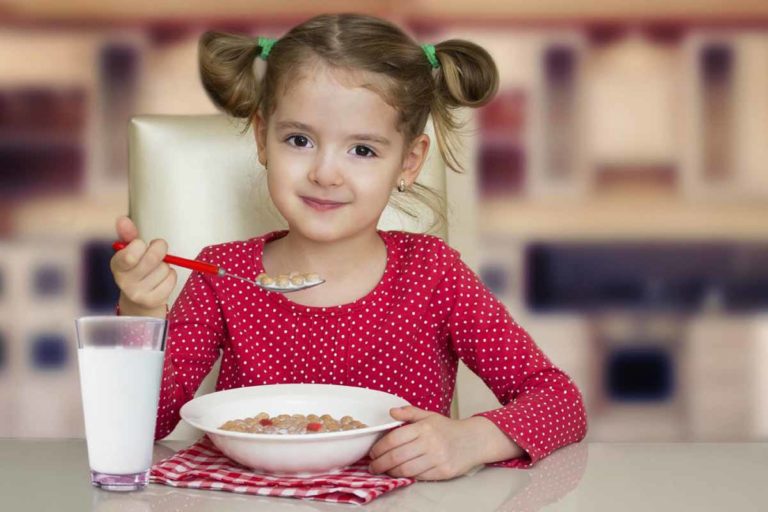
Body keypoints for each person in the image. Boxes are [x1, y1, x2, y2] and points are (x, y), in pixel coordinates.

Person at [110, 13, 587, 481]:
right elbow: (143, 425)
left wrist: (473, 439)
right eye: (299, 140)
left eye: (362, 150)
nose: (325, 173)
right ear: (262, 139)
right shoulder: (221, 274)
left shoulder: (432, 274)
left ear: (409, 162)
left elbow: (560, 401)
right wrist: (139, 312)